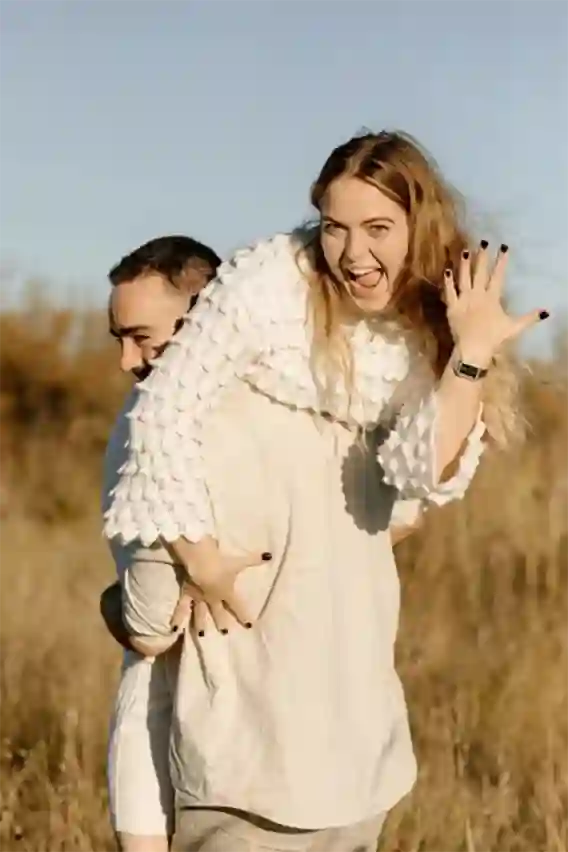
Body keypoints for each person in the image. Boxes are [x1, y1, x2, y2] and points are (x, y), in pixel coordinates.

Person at [104, 131, 548, 851]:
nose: (351, 253)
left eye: (377, 229)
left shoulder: (418, 333)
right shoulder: (265, 295)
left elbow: (417, 478)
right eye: (335, 228)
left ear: (421, 226)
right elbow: (163, 415)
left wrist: (468, 353)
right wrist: (199, 559)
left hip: (353, 736)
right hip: (251, 752)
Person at [101, 234, 222, 852]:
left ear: (204, 317)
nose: (127, 360)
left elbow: (148, 626)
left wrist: (110, 605)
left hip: (184, 722)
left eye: (143, 337)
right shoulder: (287, 405)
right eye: (119, 338)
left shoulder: (147, 427)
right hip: (180, 720)